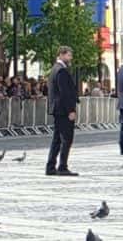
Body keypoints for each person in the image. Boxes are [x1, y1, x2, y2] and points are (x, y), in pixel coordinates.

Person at [46, 46, 78, 176]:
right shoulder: (61, 71)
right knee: (66, 138)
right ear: (61, 55)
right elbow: (64, 93)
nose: (70, 58)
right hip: (63, 110)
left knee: (57, 139)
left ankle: (50, 166)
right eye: (69, 55)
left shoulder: (55, 69)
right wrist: (71, 110)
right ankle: (62, 166)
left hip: (58, 109)